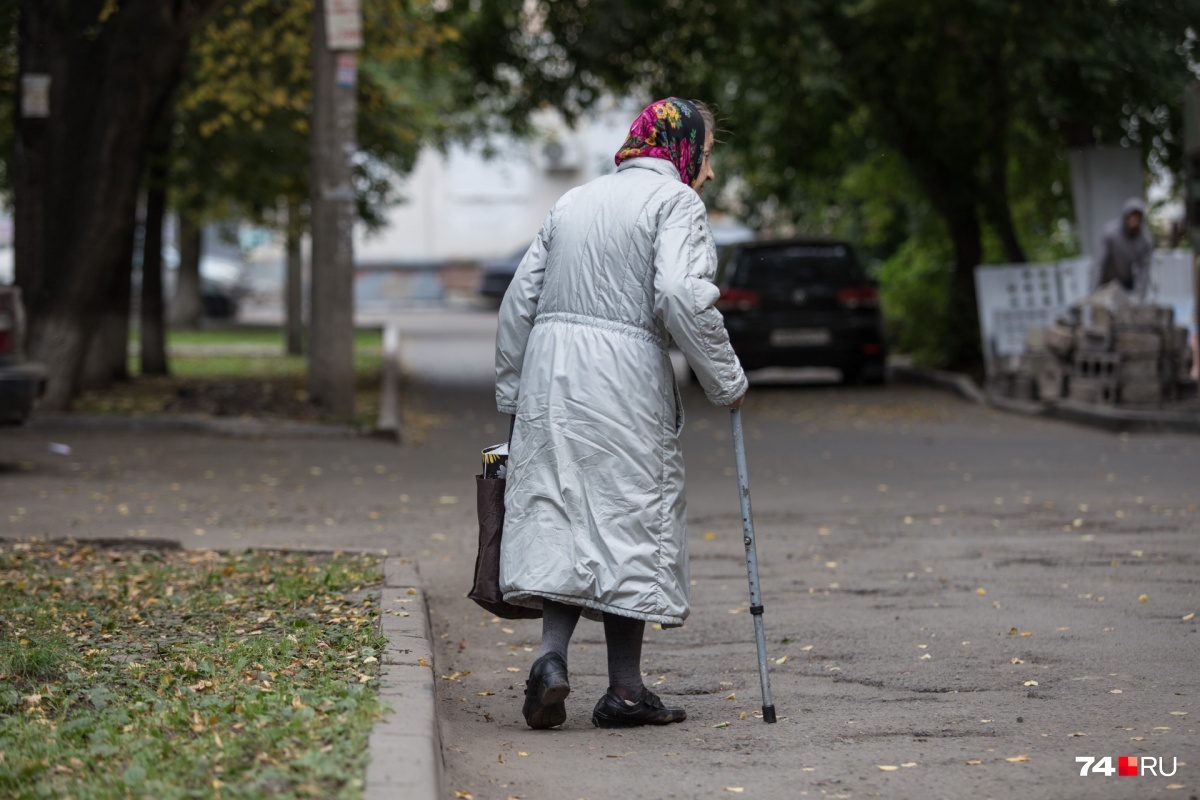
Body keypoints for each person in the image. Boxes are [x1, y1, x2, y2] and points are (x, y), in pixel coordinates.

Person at [494, 97, 748, 730]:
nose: (709, 173)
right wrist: (727, 379)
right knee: (630, 519)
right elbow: (681, 296)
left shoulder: (574, 200)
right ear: (683, 148)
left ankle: (551, 660)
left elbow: (517, 302)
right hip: (624, 377)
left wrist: (513, 395)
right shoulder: (675, 203)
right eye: (708, 155)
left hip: (551, 377)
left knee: (561, 511)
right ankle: (627, 692)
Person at [1090, 196, 1155, 300]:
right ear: (1125, 216)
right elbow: (1099, 264)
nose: (1134, 221)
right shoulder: (1110, 233)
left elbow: (1144, 272)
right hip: (1106, 280)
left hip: (1126, 281)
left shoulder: (1145, 241)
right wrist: (1093, 294)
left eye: (1137, 217)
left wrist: (1138, 298)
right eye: (1132, 216)